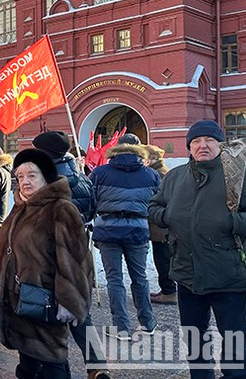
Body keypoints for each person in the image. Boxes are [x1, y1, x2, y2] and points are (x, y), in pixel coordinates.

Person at [149, 120, 246, 378]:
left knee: (233, 340)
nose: (202, 145)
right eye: (196, 141)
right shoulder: (174, 177)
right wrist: (167, 216)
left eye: (209, 140)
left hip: (227, 273)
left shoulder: (240, 176)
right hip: (186, 273)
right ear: (189, 147)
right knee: (194, 340)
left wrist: (232, 221)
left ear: (220, 144)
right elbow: (153, 207)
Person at [0, 148, 93, 378]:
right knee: (29, 365)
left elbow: (75, 260)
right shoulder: (20, 208)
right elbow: (12, 247)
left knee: (51, 366)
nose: (25, 181)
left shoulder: (61, 209)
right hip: (21, 306)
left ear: (46, 177)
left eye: (32, 175)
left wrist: (69, 301)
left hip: (46, 304)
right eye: (20, 176)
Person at [33, 131, 107, 378]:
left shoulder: (47, 180)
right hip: (79, 252)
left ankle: (59, 369)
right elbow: (93, 209)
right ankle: (97, 364)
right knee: (80, 310)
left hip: (51, 253)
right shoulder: (81, 175)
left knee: (51, 314)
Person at [91, 133, 160, 340]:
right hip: (138, 229)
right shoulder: (151, 175)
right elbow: (158, 202)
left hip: (108, 230)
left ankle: (121, 327)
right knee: (140, 278)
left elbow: (91, 201)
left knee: (114, 279)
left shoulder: (100, 172)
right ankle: (147, 323)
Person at [143, 144, 176, 305]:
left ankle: (169, 291)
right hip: (159, 226)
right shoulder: (160, 171)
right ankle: (167, 289)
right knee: (162, 258)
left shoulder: (159, 174)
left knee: (163, 259)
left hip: (161, 227)